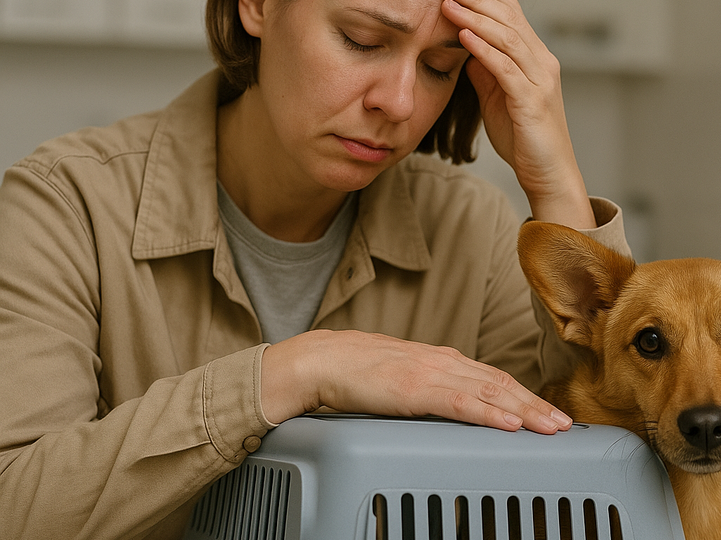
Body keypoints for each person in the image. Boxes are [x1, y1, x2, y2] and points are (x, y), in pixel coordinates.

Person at [0, 0, 630, 537]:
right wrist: (294, 372)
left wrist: (555, 185)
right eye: (361, 40)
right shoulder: (66, 206)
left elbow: (599, 471)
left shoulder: (471, 228)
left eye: (439, 68)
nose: (399, 102)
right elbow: (14, 504)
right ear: (257, 6)